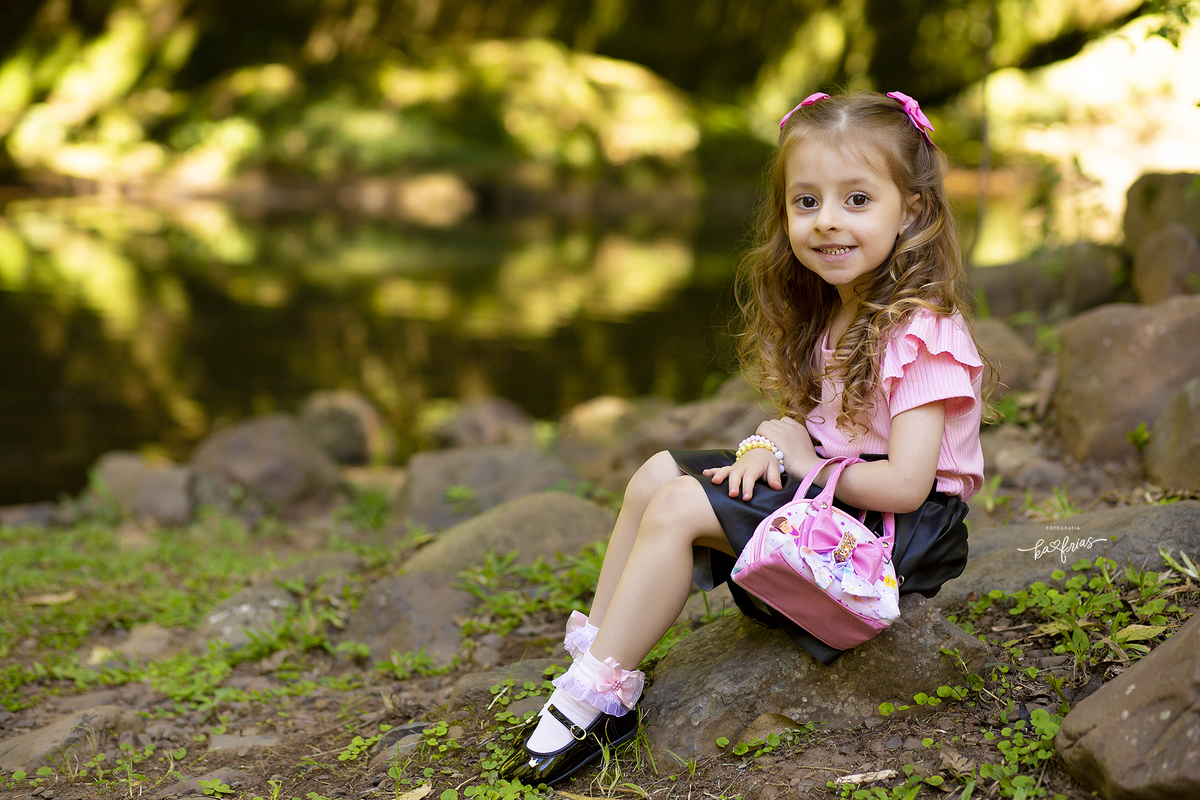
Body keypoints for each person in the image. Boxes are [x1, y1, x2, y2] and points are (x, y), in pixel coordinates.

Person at [498, 89, 992, 787]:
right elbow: (812, 431)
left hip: (894, 535)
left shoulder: (923, 330)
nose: (827, 221)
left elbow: (908, 486)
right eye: (806, 202)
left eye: (857, 200)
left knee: (681, 507)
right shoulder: (836, 310)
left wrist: (804, 464)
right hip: (843, 496)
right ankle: (591, 668)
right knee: (658, 474)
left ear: (911, 209)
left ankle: (592, 707)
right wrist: (768, 449)